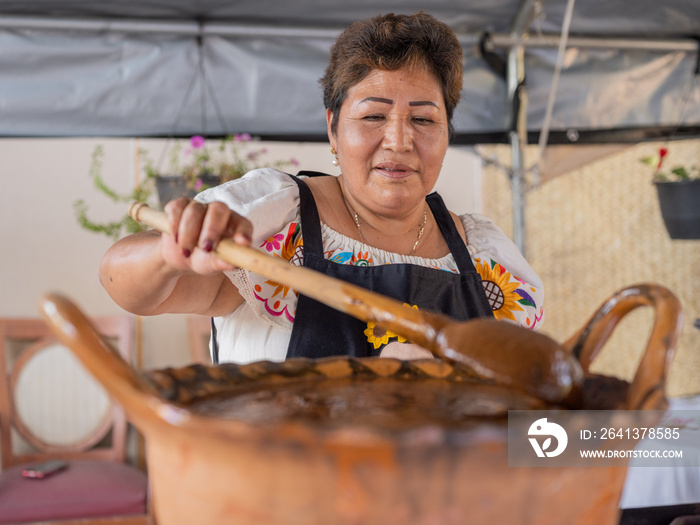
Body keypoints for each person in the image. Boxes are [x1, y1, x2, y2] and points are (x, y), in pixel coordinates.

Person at [100, 11, 544, 364]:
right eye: (373, 116)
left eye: (424, 119)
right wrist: (167, 253)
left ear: (447, 133)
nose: (399, 140)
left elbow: (524, 420)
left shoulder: (486, 260)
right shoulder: (272, 218)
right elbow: (121, 282)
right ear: (333, 129)